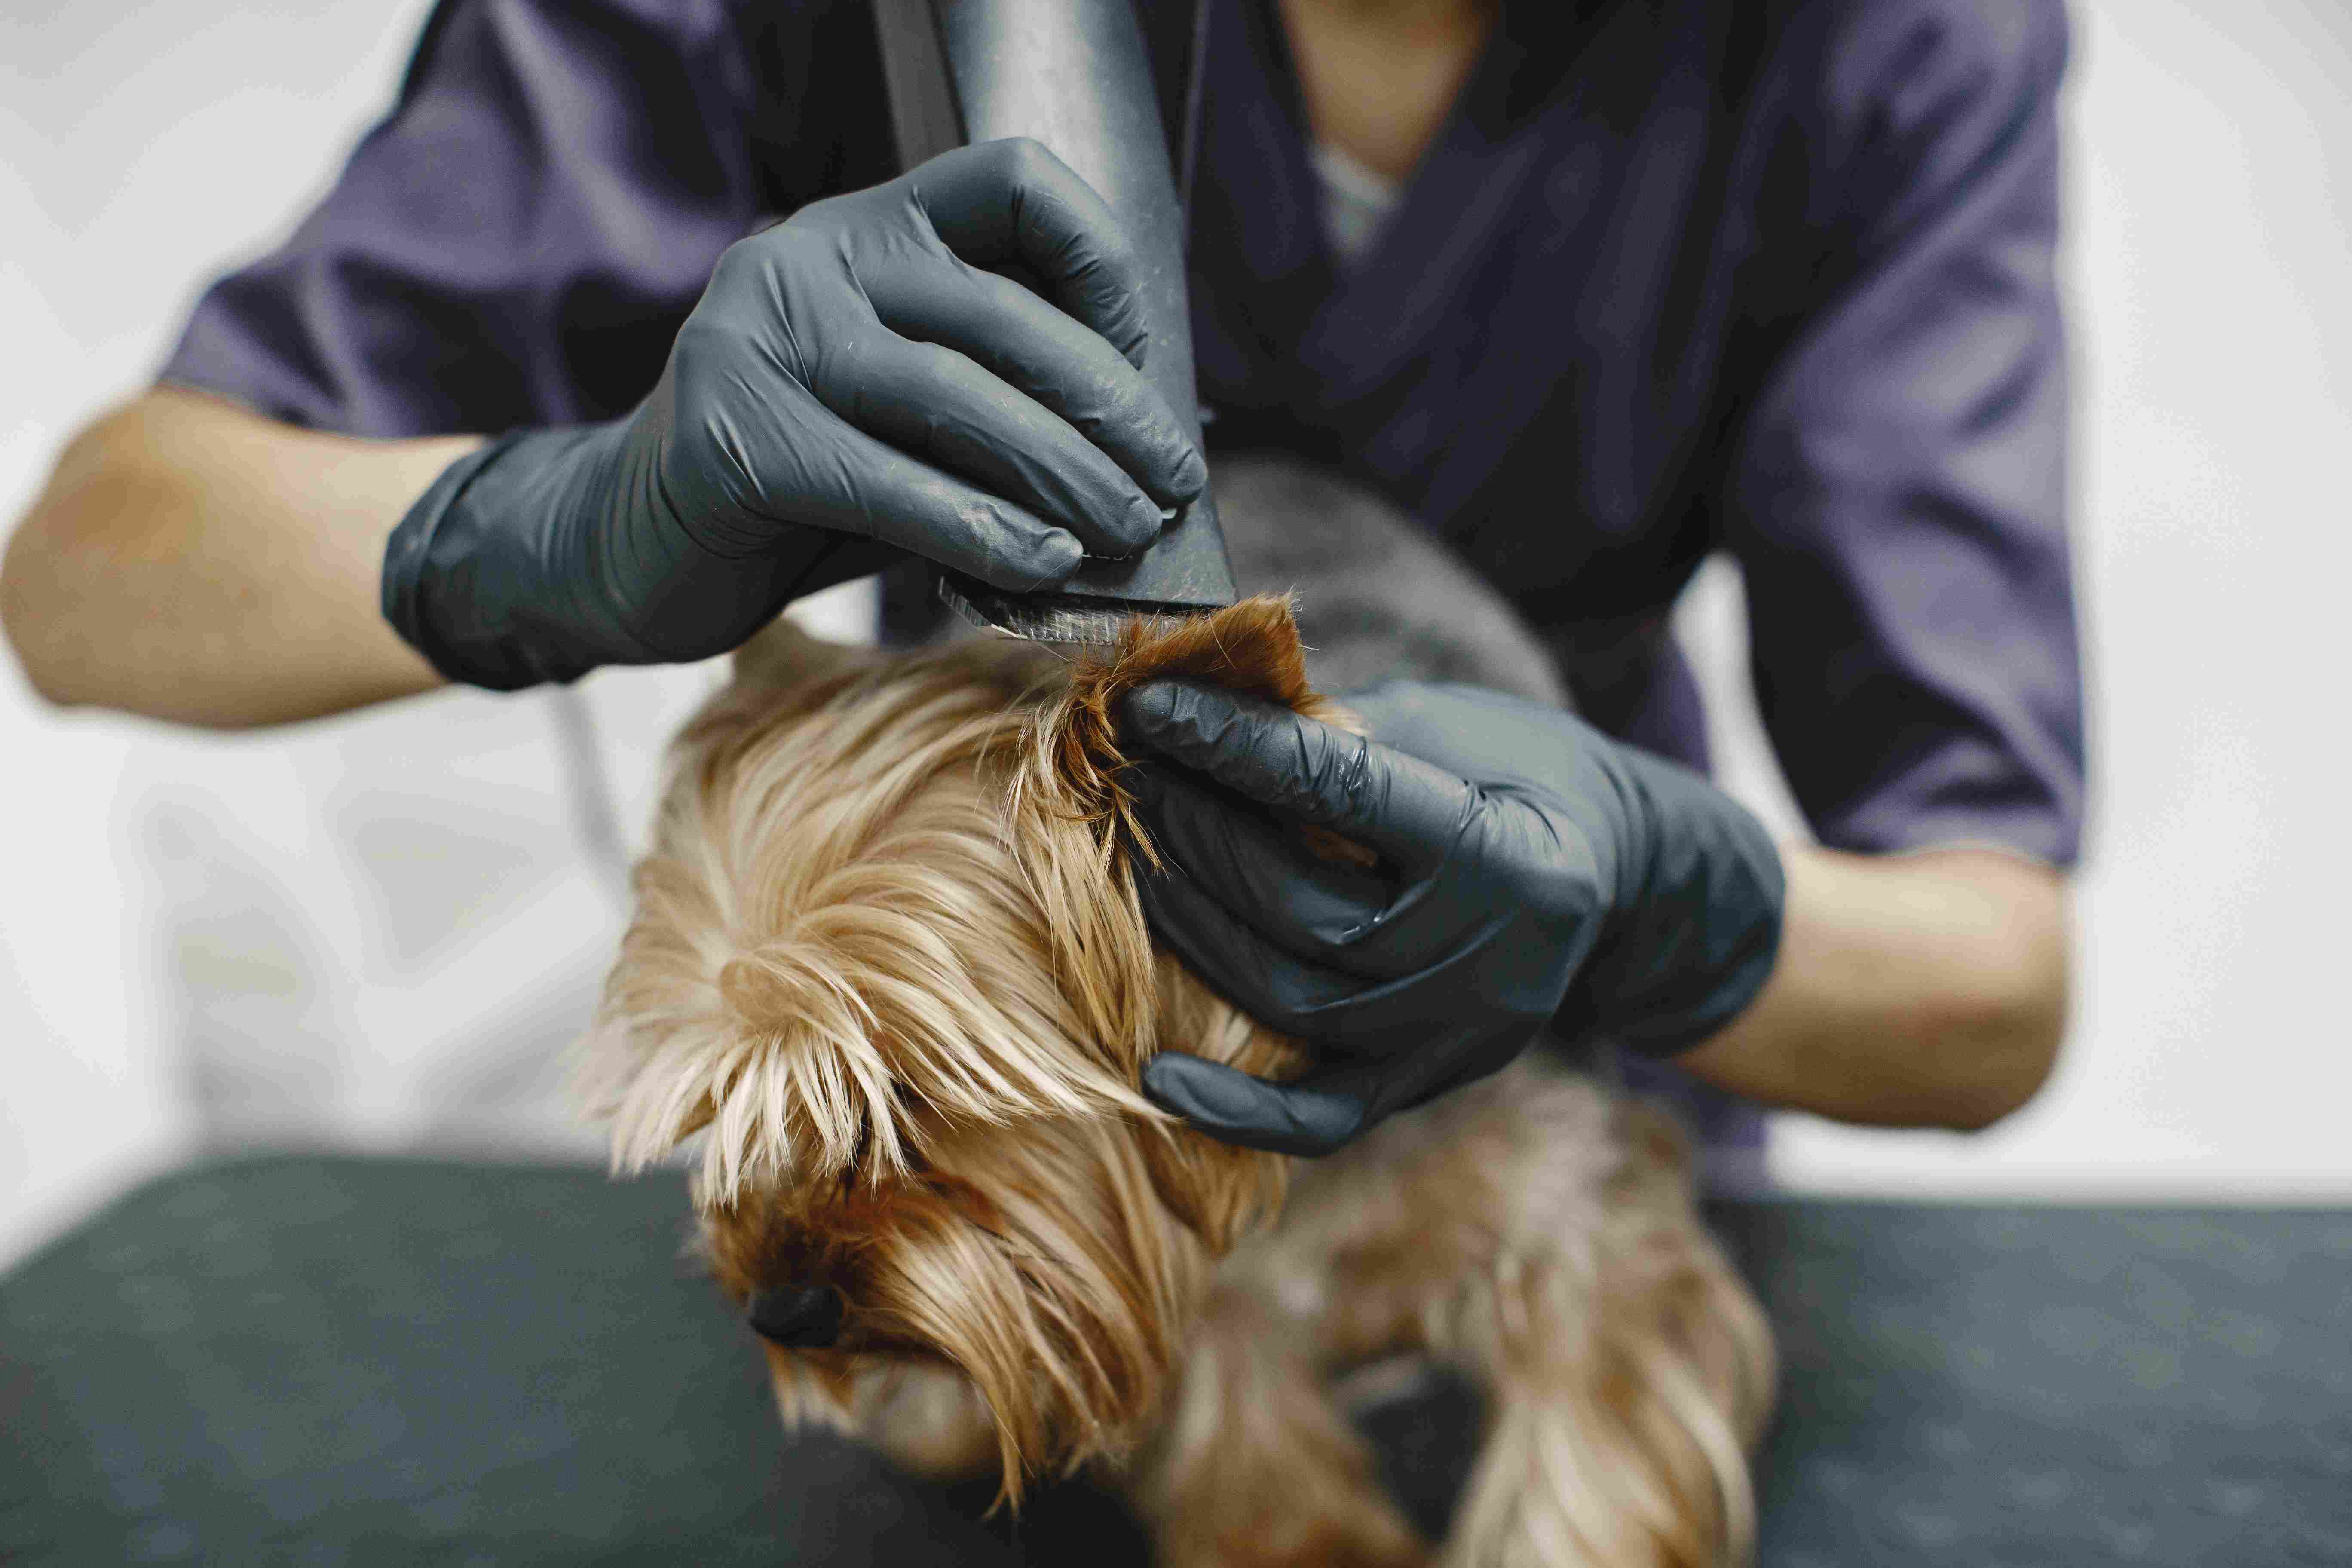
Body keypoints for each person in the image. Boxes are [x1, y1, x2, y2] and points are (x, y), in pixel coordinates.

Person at [0, 0, 2079, 1162]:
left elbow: (1989, 994)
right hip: (965, 1160)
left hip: (1546, 1158)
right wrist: (553, 522)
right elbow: (88, 573)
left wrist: (1651, 897)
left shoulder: (1888, 49)